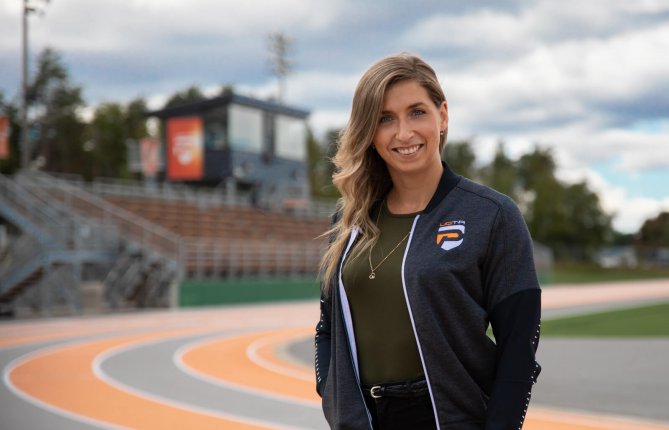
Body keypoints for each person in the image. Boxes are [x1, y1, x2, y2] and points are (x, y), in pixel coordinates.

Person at [314, 53, 541, 430]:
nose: (403, 133)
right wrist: (329, 388)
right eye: (385, 119)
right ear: (370, 132)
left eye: (417, 112)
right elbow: (327, 325)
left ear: (443, 116)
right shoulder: (348, 221)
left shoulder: (493, 215)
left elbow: (519, 349)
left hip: (449, 418)